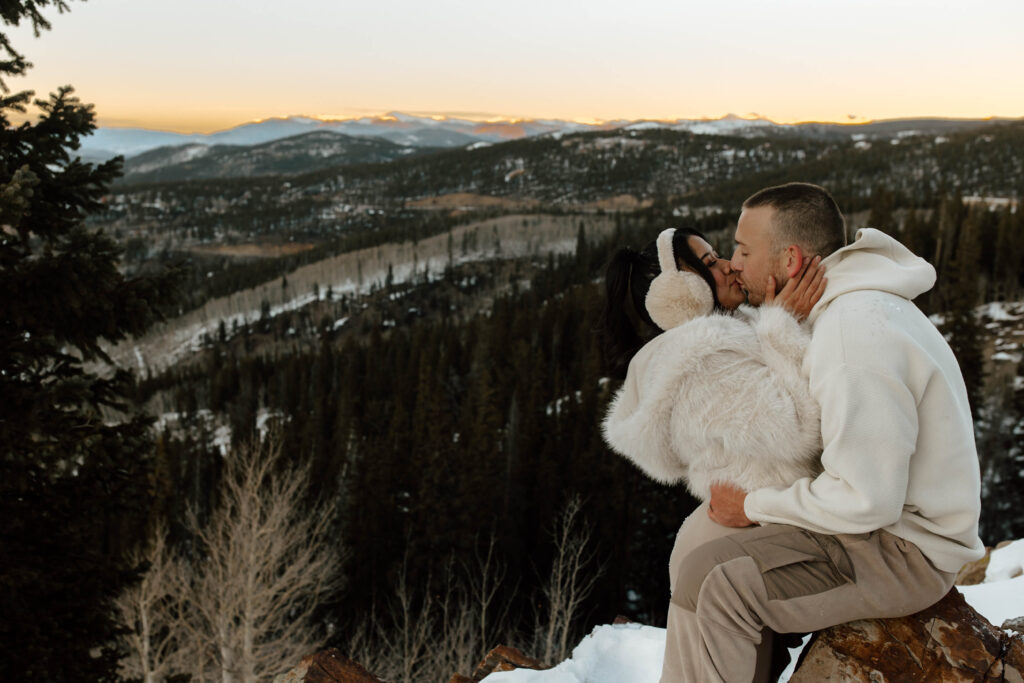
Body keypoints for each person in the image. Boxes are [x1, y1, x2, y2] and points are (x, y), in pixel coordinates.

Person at [660, 182, 985, 682]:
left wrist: (752, 506)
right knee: (699, 537)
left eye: (745, 250)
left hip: (904, 551)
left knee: (716, 582)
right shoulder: (841, 309)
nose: (734, 263)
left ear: (790, 259)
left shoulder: (853, 336)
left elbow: (865, 499)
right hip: (881, 527)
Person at [602, 226, 825, 503]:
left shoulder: (731, 336)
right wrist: (784, 323)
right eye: (710, 263)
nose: (730, 266)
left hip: (782, 511)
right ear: (681, 289)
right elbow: (797, 430)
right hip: (769, 526)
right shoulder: (700, 362)